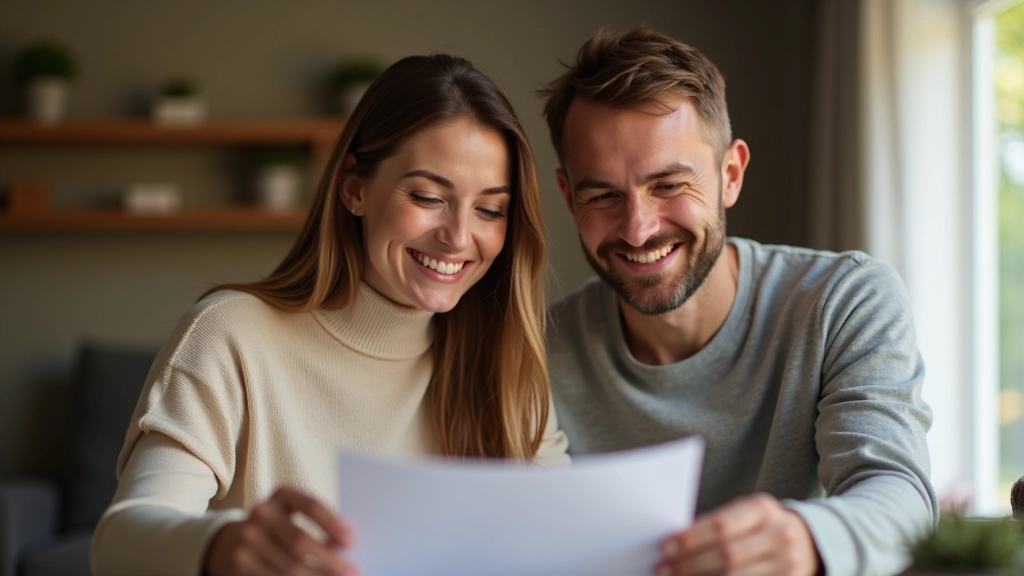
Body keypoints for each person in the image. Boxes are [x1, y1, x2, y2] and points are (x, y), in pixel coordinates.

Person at [91, 54, 569, 576]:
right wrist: (221, 545)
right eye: (428, 196)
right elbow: (118, 544)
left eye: (490, 209)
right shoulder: (231, 335)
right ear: (354, 189)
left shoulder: (508, 363)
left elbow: (563, 547)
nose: (458, 237)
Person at [540, 26, 936, 576]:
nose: (637, 229)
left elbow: (902, 498)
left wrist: (805, 539)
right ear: (568, 196)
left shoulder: (844, 301)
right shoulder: (537, 349)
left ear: (730, 174)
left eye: (669, 185)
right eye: (603, 195)